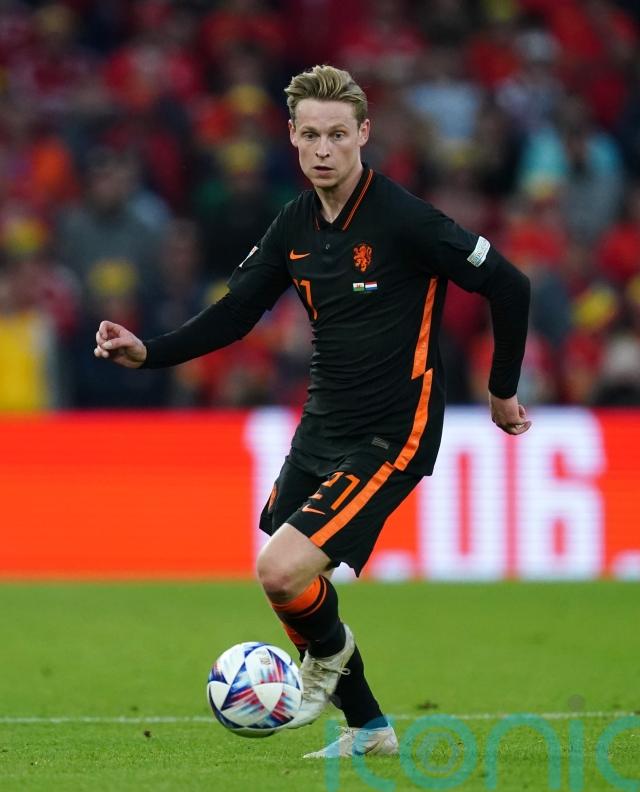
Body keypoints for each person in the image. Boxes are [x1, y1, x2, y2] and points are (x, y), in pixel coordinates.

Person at [94, 65, 531, 758]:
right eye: (310, 136)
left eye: (337, 134)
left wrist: (501, 388)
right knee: (286, 563)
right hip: (324, 421)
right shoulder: (294, 223)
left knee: (281, 570)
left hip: (394, 429)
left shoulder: (405, 219)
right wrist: (150, 352)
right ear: (293, 139)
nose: (323, 149)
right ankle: (369, 728)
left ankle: (326, 664)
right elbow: (237, 313)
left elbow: (510, 285)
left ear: (363, 134)